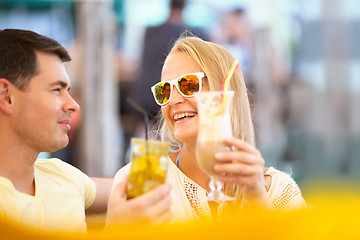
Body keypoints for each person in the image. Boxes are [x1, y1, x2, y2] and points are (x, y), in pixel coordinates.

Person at [114, 36, 306, 223]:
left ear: (224, 94)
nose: (173, 100)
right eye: (165, 90)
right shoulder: (145, 176)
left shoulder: (276, 189)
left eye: (188, 84)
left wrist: (257, 199)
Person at [0, 29, 171, 231]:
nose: (73, 105)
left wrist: (193, 152)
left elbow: (137, 188)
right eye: (56, 90)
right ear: (7, 97)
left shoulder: (61, 175)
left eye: (68, 91)